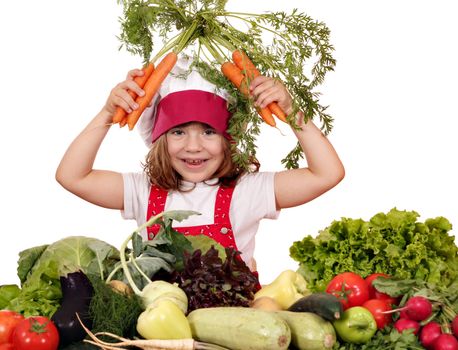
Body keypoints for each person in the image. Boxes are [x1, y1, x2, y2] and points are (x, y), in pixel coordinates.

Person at [55, 57, 345, 271]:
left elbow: (327, 174)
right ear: (160, 139)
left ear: (229, 139)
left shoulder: (248, 191)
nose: (193, 146)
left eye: (208, 132)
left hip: (236, 328)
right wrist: (108, 114)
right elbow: (72, 176)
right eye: (178, 132)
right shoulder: (143, 190)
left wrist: (291, 111)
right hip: (160, 333)